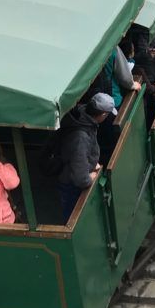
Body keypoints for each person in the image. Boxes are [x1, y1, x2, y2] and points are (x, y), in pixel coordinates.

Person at [57, 93, 117, 223]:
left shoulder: (83, 117)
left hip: (71, 173)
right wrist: (89, 178)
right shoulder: (81, 136)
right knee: (72, 218)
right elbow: (80, 178)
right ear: (103, 115)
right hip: (71, 184)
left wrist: (92, 163)